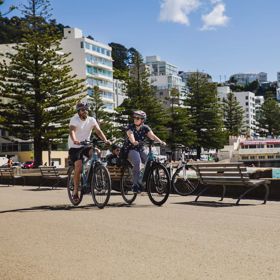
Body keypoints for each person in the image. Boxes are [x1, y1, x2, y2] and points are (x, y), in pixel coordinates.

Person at [68, 101, 110, 201]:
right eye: (82, 110)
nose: (85, 111)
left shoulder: (91, 120)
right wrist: (75, 140)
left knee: (97, 152)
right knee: (78, 167)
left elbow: (98, 131)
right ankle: (75, 192)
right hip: (75, 146)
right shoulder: (74, 119)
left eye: (86, 109)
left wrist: (105, 140)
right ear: (78, 111)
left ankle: (94, 169)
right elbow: (72, 131)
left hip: (86, 145)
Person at [122, 110, 166, 193]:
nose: (135, 119)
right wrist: (133, 141)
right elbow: (130, 135)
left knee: (150, 161)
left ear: (142, 120)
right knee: (137, 162)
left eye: (137, 118)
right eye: (134, 117)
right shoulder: (130, 127)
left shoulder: (145, 128)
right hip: (130, 149)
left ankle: (141, 179)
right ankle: (135, 185)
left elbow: (152, 136)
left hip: (140, 149)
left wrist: (161, 142)